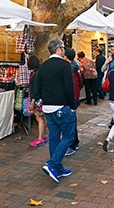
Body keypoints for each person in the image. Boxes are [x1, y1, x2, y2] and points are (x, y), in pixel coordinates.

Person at [37, 39, 76, 183]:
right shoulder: (65, 65)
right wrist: (72, 105)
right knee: (68, 136)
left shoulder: (44, 65)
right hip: (61, 106)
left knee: (54, 137)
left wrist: (40, 99)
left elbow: (38, 85)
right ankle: (52, 165)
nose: (64, 50)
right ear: (59, 49)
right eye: (63, 48)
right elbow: (69, 87)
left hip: (47, 106)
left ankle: (58, 168)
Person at [64, 48, 83, 156]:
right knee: (72, 121)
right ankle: (74, 142)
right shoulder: (75, 67)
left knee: (70, 122)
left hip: (71, 98)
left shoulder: (70, 69)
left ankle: (72, 144)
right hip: (75, 97)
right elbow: (80, 83)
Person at [28, 55, 49, 147]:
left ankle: (40, 138)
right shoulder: (41, 71)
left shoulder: (35, 74)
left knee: (39, 118)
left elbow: (35, 89)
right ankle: (44, 135)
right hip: (43, 98)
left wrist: (32, 102)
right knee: (42, 117)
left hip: (38, 99)